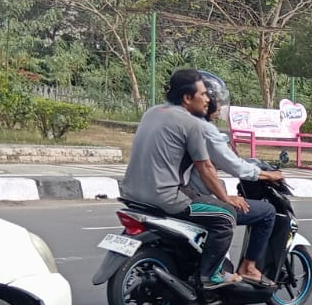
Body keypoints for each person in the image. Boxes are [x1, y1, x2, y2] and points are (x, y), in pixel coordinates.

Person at [118, 68, 248, 290]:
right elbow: (206, 168)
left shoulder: (151, 112)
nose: (208, 100)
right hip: (165, 197)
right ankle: (212, 275)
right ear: (187, 98)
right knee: (225, 215)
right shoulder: (193, 124)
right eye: (203, 94)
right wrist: (226, 198)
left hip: (131, 195)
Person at [191, 71, 284, 287]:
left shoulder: (174, 122)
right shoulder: (203, 129)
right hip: (192, 197)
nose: (212, 104)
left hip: (168, 194)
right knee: (267, 212)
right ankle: (248, 268)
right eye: (208, 99)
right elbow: (228, 165)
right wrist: (267, 174)